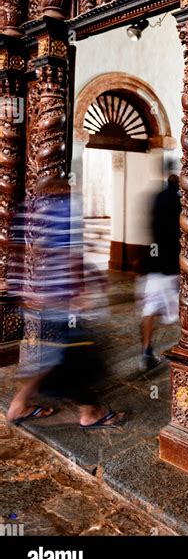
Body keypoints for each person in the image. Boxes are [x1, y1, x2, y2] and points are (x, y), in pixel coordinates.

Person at [6, 176, 125, 430]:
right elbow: (68, 252)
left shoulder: (26, 210)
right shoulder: (62, 209)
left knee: (54, 355)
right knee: (80, 356)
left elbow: (15, 249)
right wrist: (81, 289)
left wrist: (19, 287)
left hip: (35, 294)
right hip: (58, 296)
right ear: (61, 187)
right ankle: (89, 411)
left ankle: (19, 404)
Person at [140, 173, 181, 371]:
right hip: (173, 264)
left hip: (154, 262)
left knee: (150, 308)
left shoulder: (157, 197)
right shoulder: (179, 201)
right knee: (186, 309)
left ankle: (146, 350)